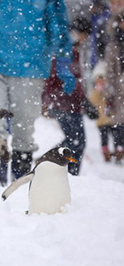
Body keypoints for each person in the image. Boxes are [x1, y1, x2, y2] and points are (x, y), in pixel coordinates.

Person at [0, 0, 75, 180]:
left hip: (31, 66)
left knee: (23, 127)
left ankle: (19, 182)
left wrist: (63, 61)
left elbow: (58, 26)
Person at [42, 17, 99, 175]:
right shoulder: (67, 50)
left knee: (75, 141)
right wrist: (83, 101)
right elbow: (69, 79)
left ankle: (57, 167)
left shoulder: (69, 49)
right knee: (77, 142)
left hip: (65, 101)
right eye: (84, 35)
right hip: (64, 102)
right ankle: (59, 169)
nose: (85, 39)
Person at [103, 11, 124, 164]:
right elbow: (110, 71)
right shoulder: (114, 44)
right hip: (119, 90)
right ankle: (118, 149)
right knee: (118, 124)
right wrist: (109, 93)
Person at [89, 60, 116, 162]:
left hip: (111, 118)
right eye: (98, 79)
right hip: (101, 120)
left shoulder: (110, 90)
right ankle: (105, 153)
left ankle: (117, 151)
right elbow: (92, 102)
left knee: (116, 136)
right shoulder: (95, 91)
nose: (100, 81)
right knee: (104, 138)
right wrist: (98, 92)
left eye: (102, 79)